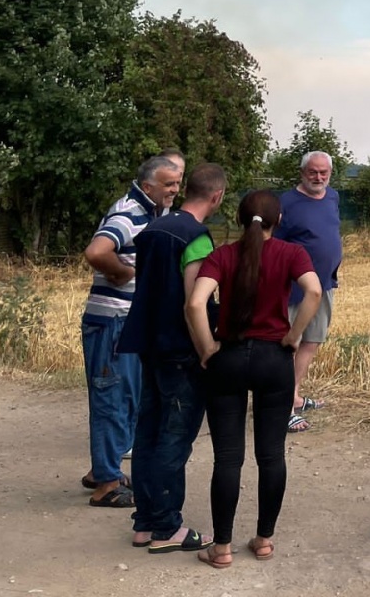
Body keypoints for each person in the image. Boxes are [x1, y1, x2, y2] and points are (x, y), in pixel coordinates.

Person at [186, 190, 322, 569]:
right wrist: (294, 336)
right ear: (278, 220)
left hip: (228, 357)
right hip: (273, 359)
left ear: (241, 219)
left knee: (228, 458)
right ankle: (263, 540)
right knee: (271, 454)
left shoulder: (222, 255)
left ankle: (222, 547)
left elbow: (196, 303)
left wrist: (207, 347)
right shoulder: (292, 253)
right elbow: (313, 290)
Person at [117, 163, 224, 552]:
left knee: (147, 432)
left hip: (149, 346)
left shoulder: (152, 230)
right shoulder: (195, 237)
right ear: (217, 196)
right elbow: (194, 303)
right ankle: (167, 527)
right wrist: (207, 349)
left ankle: (144, 522)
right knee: (174, 439)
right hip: (180, 351)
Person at [80, 155, 183, 508]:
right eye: (169, 184)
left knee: (125, 397)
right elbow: (96, 251)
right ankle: (107, 484)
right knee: (111, 396)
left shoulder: (152, 212)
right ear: (149, 184)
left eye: (178, 183)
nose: (175, 190)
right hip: (112, 320)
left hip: (125, 320)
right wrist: (122, 273)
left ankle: (103, 470)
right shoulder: (129, 213)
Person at [272, 151, 342, 431]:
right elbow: (274, 245)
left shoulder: (333, 197)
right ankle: (284, 408)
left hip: (324, 284)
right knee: (291, 343)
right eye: (313, 172)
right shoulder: (285, 203)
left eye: (324, 173)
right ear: (302, 173)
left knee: (312, 340)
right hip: (295, 288)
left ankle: (294, 395)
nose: (319, 177)